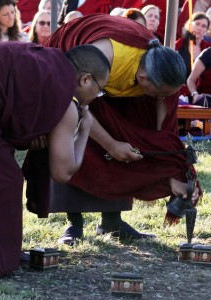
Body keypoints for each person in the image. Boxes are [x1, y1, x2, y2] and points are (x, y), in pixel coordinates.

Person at [23, 14, 201, 246]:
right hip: (71, 79)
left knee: (133, 132)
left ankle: (112, 220)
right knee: (75, 137)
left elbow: (160, 134)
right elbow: (74, 100)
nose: (161, 99)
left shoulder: (164, 69)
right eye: (158, 93)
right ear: (142, 77)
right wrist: (111, 145)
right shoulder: (103, 54)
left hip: (111, 85)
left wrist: (169, 170)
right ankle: (74, 223)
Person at [0, 41, 110, 281]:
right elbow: (63, 172)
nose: (96, 98)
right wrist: (85, 128)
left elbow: (14, 100)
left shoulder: (49, 62)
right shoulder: (66, 100)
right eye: (100, 90)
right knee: (3, 179)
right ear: (85, 80)